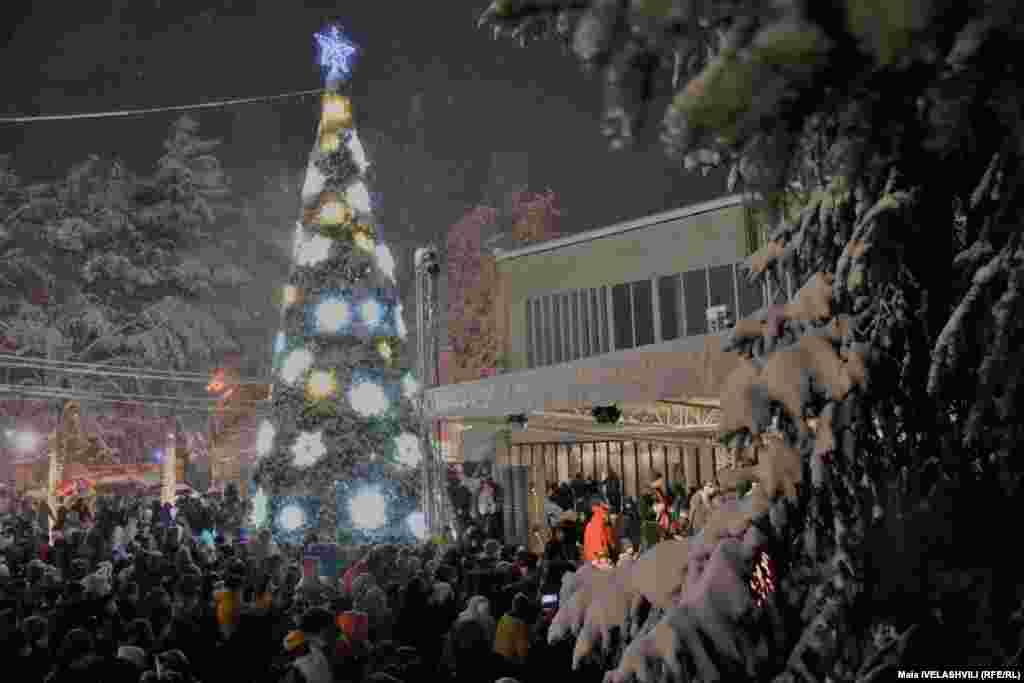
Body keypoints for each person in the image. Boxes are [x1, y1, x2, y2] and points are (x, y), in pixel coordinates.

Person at [279, 606, 338, 683]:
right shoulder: (313, 658)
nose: (335, 633)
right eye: (332, 628)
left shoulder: (294, 644)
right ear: (323, 630)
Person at [493, 592, 532, 669]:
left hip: (498, 658)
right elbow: (522, 649)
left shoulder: (503, 618)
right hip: (511, 662)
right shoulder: (520, 624)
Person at [583, 496, 616, 563]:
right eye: (605, 509)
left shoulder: (602, 523)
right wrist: (603, 557)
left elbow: (608, 538)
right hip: (598, 561)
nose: (609, 514)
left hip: (599, 558)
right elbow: (597, 546)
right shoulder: (596, 523)